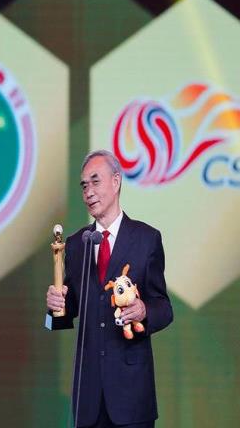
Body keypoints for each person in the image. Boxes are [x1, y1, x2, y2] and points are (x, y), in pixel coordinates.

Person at [46, 150, 173, 428]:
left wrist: (144, 310)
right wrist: (54, 308)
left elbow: (164, 308)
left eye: (95, 181)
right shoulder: (77, 244)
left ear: (116, 182)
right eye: (84, 186)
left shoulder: (146, 239)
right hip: (88, 397)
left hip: (132, 395)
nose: (88, 192)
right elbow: (63, 315)